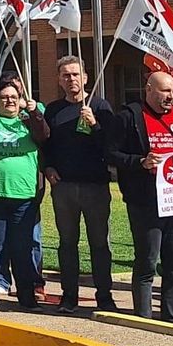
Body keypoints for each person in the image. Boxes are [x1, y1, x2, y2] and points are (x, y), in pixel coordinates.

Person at [106, 71, 173, 324]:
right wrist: (140, 161)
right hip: (145, 202)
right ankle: (144, 319)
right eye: (164, 91)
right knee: (147, 262)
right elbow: (110, 153)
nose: (170, 96)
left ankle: (172, 319)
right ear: (149, 89)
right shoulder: (129, 117)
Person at [41, 55, 116, 313]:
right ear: (59, 80)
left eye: (75, 74)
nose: (71, 79)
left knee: (99, 244)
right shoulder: (53, 110)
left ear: (85, 77)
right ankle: (69, 296)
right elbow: (45, 145)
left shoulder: (100, 106)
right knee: (67, 243)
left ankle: (104, 296)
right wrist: (48, 167)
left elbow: (111, 145)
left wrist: (95, 125)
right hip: (64, 188)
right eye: (66, 75)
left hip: (95, 186)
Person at [0, 79, 49, 311]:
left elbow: (44, 134)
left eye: (14, 97)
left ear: (20, 101)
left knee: (22, 247)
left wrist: (34, 112)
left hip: (24, 196)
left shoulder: (27, 123)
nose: (9, 101)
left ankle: (26, 294)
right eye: (4, 97)